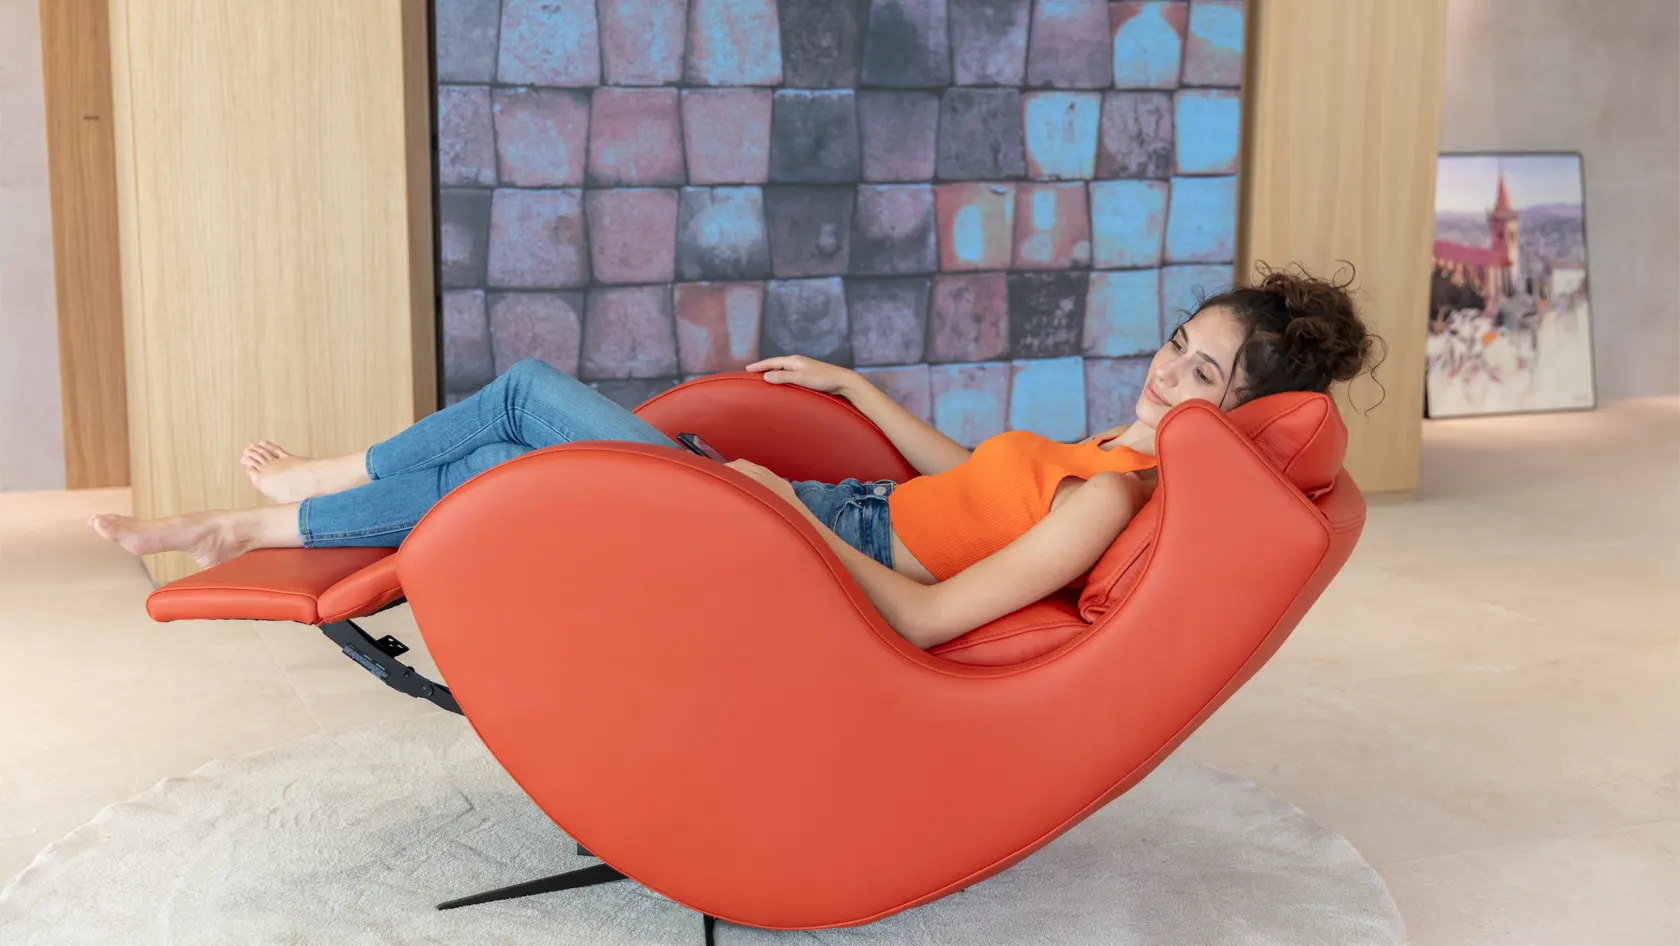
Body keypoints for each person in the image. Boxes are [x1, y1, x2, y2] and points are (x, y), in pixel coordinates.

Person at [91, 265, 1374, 649]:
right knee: (511, 455)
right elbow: (970, 477)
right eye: (1177, 343)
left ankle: (308, 486)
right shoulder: (1107, 450)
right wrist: (856, 389)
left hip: (812, 542)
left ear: (1237, 416)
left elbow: (927, 613)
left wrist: (782, 516)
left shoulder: (1110, 498)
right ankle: (258, 525)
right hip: (825, 505)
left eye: (1201, 377)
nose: (1165, 372)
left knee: (529, 401)